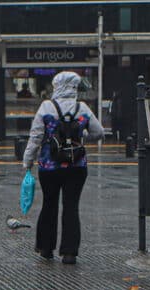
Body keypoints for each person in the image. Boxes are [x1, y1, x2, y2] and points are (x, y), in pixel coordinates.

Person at [22, 71, 104, 265]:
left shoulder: (46, 107)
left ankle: (46, 248)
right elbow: (99, 132)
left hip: (49, 166)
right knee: (71, 207)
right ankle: (69, 252)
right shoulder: (82, 108)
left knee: (49, 204)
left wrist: (28, 161)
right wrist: (81, 138)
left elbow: (35, 137)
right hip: (77, 165)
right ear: (74, 88)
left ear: (56, 86)